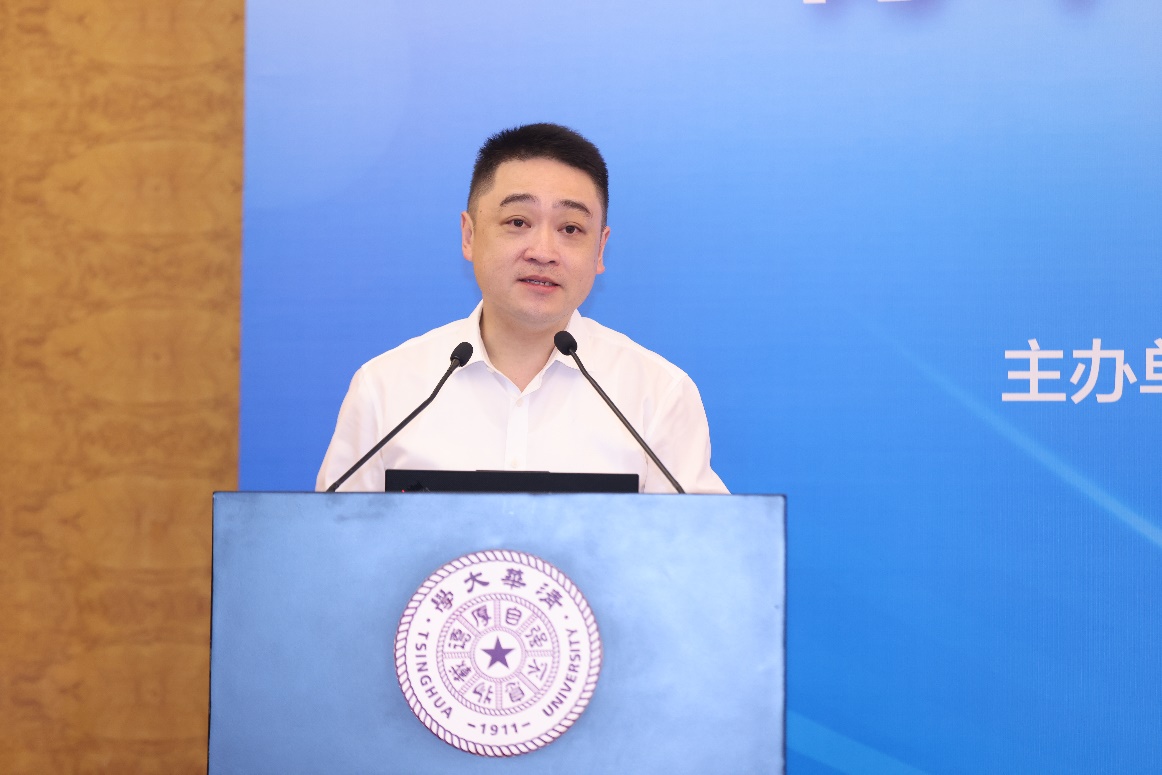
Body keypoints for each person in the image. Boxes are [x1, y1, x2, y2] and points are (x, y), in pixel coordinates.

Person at [316, 123, 727, 494]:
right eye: (517, 222)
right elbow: (333, 543)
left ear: (600, 249)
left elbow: (699, 547)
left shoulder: (657, 395)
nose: (543, 252)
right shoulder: (385, 389)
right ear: (469, 235)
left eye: (570, 228)